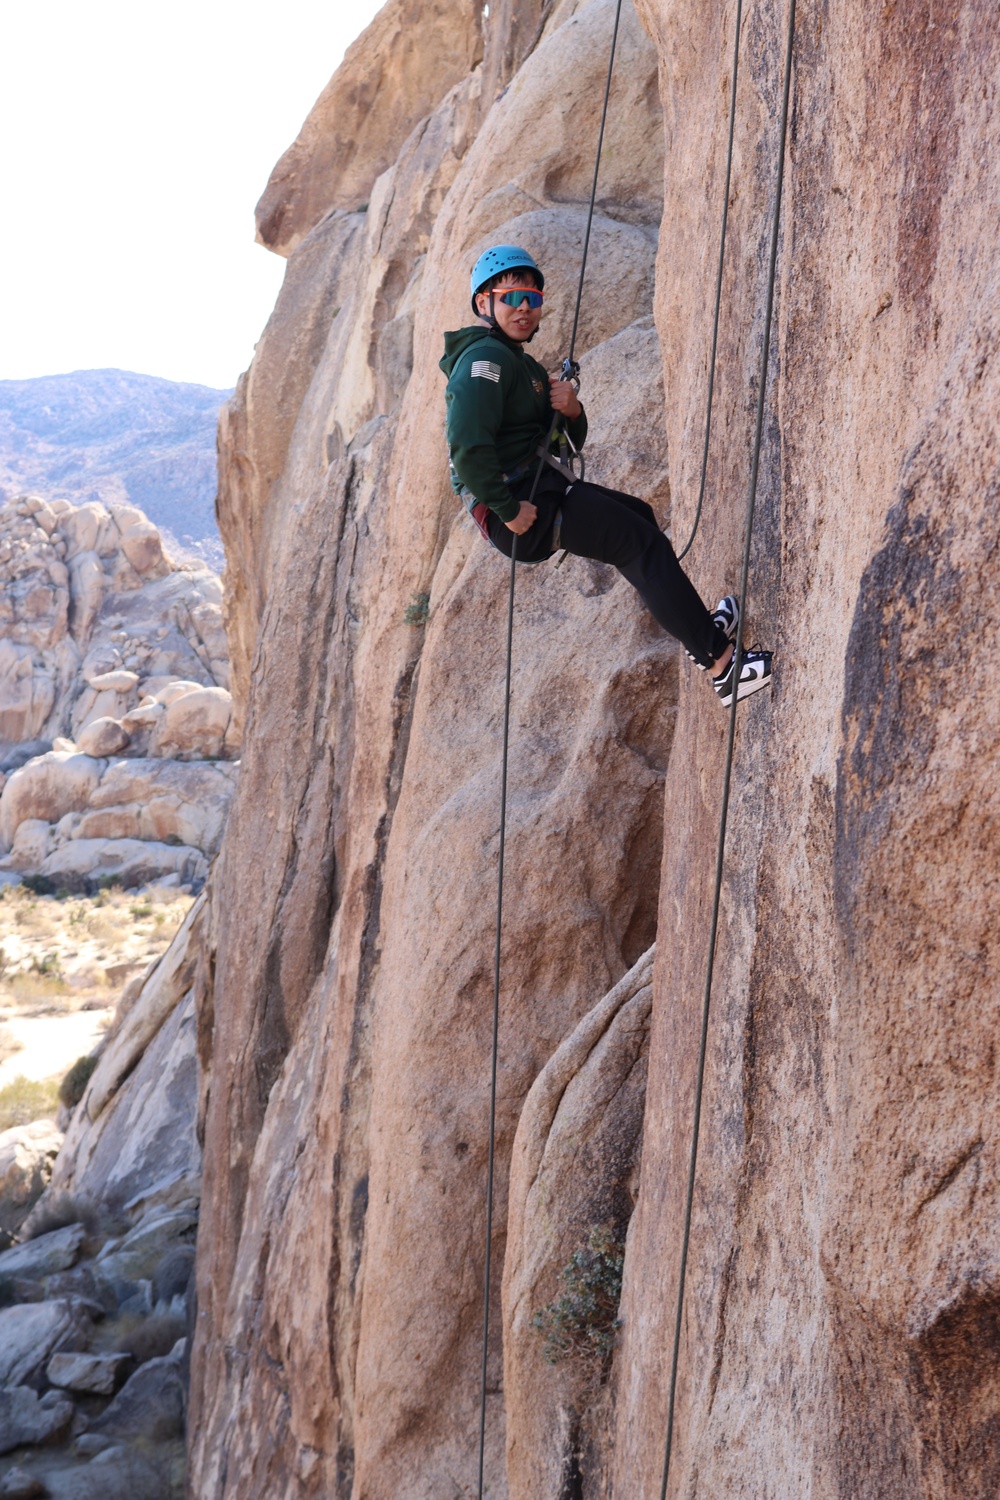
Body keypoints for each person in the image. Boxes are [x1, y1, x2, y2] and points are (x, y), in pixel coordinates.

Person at [439, 244, 774, 706]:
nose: (523, 308)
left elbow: (567, 440)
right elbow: (466, 446)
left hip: (538, 489)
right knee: (640, 544)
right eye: (511, 297)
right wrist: (506, 508)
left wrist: (571, 409)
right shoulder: (486, 362)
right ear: (484, 303)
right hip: (521, 506)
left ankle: (699, 631)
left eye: (532, 299)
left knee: (638, 516)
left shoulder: (519, 363)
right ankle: (722, 666)